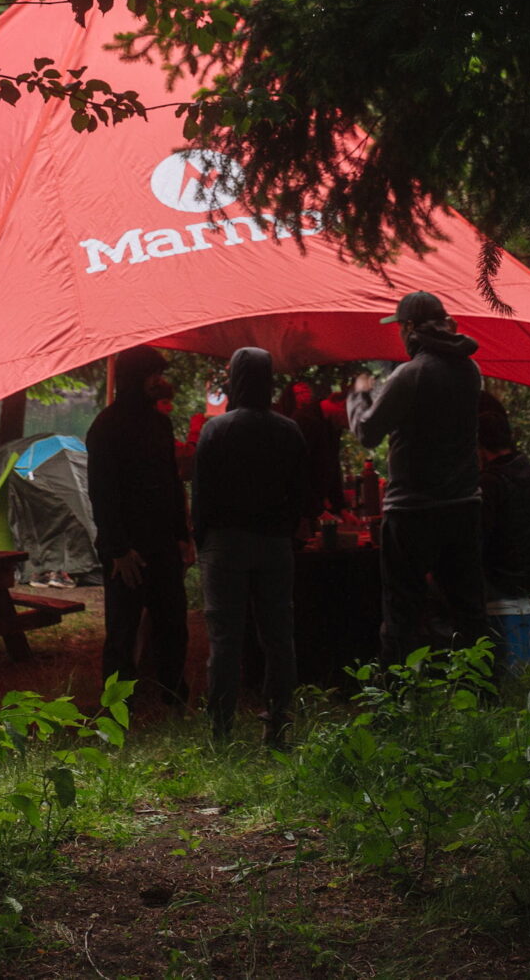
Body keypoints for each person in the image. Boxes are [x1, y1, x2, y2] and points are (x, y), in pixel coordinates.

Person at [350, 290, 488, 663]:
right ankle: (484, 692)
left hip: (412, 510)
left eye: (399, 328)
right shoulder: (470, 371)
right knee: (468, 605)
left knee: (402, 607)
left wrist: (359, 395)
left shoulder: (411, 374)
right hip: (463, 505)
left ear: (409, 328)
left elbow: (368, 433)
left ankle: (396, 697)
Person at [192, 347, 309, 745]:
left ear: (235, 379)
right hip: (275, 544)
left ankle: (220, 730)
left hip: (224, 544)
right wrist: (288, 530)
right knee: (278, 637)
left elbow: (202, 493)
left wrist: (200, 539)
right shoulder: (288, 430)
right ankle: (277, 724)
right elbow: (300, 493)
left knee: (225, 640)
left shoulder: (217, 430)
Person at [86, 345, 191, 705]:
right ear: (137, 378)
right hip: (127, 549)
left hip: (163, 544)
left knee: (173, 625)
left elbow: (172, 483)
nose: (159, 382)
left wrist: (181, 536)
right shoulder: (107, 426)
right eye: (153, 375)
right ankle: (116, 708)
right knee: (123, 631)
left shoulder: (160, 422)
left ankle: (173, 696)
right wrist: (117, 549)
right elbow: (102, 491)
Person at [476, 393, 530, 603]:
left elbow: (475, 540)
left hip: (500, 582)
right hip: (529, 578)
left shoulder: (491, 483)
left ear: (479, 446)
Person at [282, 378, 351, 518]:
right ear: (343, 405)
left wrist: (341, 508)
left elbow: (332, 466)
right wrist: (318, 511)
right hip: (296, 511)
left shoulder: (332, 424)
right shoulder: (305, 421)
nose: (350, 425)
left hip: (312, 508)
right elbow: (296, 472)